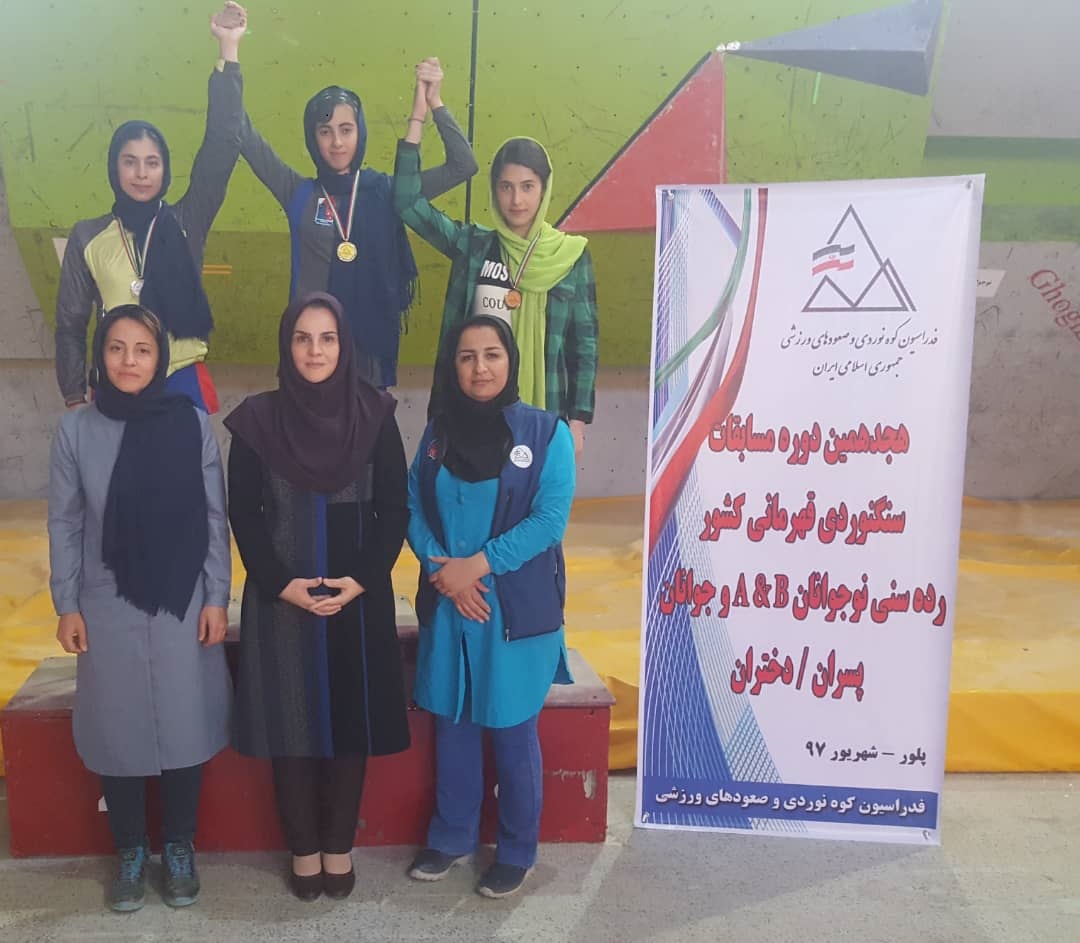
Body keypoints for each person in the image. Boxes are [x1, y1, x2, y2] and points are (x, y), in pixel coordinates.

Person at [224, 291, 410, 901]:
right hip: (281, 594)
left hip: (356, 593)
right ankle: (304, 848)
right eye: (302, 338)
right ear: (287, 345)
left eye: (327, 338)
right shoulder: (256, 420)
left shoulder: (376, 415)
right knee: (291, 724)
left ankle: (338, 845)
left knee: (350, 723)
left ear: (344, 344)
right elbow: (245, 514)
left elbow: (394, 509)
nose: (314, 350)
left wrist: (362, 578)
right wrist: (281, 584)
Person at [48, 306, 232, 912]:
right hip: (105, 601)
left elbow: (214, 516)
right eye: (117, 348)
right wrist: (67, 603)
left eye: (143, 350)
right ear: (99, 356)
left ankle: (178, 846)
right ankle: (130, 850)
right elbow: (65, 522)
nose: (129, 361)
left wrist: (216, 596)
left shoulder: (191, 424)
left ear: (160, 359)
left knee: (184, 723)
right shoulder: (76, 431)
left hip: (181, 599)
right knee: (117, 729)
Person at [405, 315, 575, 899]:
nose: (480, 368)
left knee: (510, 729)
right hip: (452, 602)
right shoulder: (438, 433)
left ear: (511, 360)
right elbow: (412, 504)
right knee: (452, 723)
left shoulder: (547, 434)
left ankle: (517, 849)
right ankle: (451, 837)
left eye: (492, 355)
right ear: (453, 366)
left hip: (513, 613)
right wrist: (444, 573)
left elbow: (549, 521)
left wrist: (476, 566)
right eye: (467, 357)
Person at [232, 3, 478, 388]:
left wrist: (432, 103)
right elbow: (242, 133)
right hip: (311, 352)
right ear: (312, 138)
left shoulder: (389, 192)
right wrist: (229, 49)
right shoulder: (298, 193)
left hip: (369, 356)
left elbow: (463, 165)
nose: (336, 142)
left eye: (346, 129)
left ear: (360, 132)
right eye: (325, 131)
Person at [54, 4, 248, 414]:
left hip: (182, 381)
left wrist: (228, 49)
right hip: (116, 383)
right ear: (114, 168)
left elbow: (222, 145)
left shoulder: (187, 220)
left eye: (152, 162)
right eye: (130, 162)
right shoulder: (88, 236)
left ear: (165, 170)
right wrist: (73, 395)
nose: (141, 174)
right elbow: (70, 324)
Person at [393, 116, 598, 455]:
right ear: (494, 189)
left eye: (527, 186)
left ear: (544, 188)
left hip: (544, 416)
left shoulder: (571, 256)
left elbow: (584, 347)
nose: (516, 200)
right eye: (506, 187)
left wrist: (577, 423)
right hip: (470, 416)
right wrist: (423, 115)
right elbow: (406, 202)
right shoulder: (472, 246)